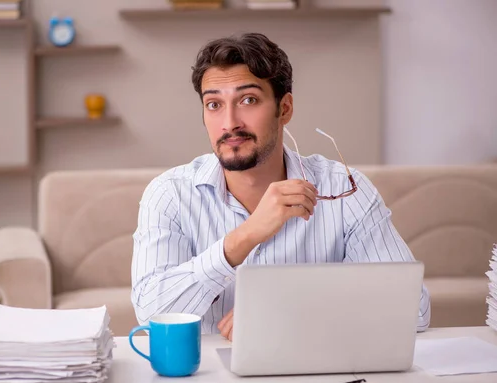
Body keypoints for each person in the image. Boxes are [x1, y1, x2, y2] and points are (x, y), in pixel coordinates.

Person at [131, 32, 430, 341]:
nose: (229, 122)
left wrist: (290, 306)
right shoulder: (170, 194)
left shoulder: (344, 188)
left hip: (318, 376)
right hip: (209, 381)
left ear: (284, 108)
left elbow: (414, 311)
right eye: (214, 104)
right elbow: (152, 313)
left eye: (248, 100)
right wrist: (243, 238)